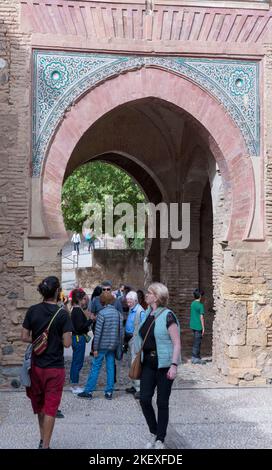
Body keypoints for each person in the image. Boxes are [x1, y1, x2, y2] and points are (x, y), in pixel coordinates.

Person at [21, 276, 73, 449]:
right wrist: (52, 340)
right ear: (57, 292)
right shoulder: (63, 314)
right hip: (55, 368)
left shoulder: (32, 310)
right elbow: (67, 343)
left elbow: (24, 336)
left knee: (40, 404)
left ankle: (42, 439)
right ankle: (46, 446)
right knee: (51, 407)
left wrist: (38, 341)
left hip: (36, 366)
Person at [137, 282, 181, 449]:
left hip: (164, 365)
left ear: (156, 296)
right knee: (144, 399)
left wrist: (174, 365)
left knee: (162, 402)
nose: (146, 295)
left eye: (149, 293)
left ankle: (160, 439)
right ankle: (154, 432)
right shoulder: (148, 313)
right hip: (148, 363)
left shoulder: (168, 316)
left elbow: (177, 343)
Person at [78, 291, 123, 400]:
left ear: (102, 302)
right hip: (112, 345)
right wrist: (119, 346)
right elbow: (121, 332)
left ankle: (88, 391)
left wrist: (95, 348)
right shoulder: (118, 314)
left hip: (102, 345)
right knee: (110, 367)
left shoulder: (102, 314)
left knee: (95, 367)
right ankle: (109, 392)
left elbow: (97, 333)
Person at [70, 289, 93, 394]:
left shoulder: (76, 310)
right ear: (79, 299)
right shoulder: (77, 311)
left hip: (77, 338)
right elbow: (79, 327)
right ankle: (74, 385)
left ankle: (73, 383)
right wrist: (90, 320)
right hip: (79, 338)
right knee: (77, 363)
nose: (85, 301)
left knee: (76, 362)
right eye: (84, 299)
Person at [124, 291, 146, 399]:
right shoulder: (131, 309)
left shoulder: (140, 311)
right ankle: (134, 385)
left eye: (130, 301)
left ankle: (139, 389)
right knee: (131, 363)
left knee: (135, 363)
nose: (128, 303)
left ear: (135, 300)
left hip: (136, 340)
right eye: (127, 301)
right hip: (130, 340)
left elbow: (144, 328)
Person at [190, 288, 206, 365]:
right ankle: (195, 357)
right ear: (200, 296)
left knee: (196, 340)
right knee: (197, 342)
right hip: (198, 326)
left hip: (192, 325)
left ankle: (197, 356)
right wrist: (203, 328)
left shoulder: (192, 303)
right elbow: (201, 317)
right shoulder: (200, 305)